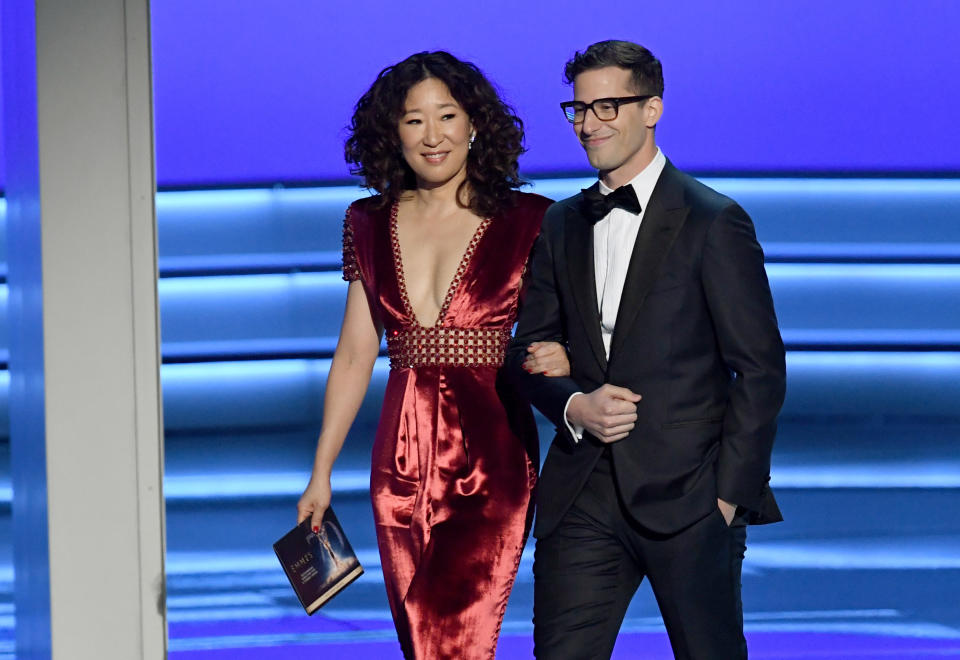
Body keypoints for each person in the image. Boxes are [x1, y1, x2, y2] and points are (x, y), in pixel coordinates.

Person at [506, 40, 787, 659]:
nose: (589, 124)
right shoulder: (561, 222)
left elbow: (760, 369)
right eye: (579, 109)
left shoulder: (712, 220)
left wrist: (726, 497)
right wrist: (575, 402)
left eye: (608, 107)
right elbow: (527, 348)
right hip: (584, 492)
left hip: (689, 493)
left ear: (652, 109)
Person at [297, 51, 566, 659]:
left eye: (447, 115)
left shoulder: (532, 219)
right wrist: (321, 471)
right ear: (392, 132)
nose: (432, 135)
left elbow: (569, 330)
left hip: (491, 457)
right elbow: (354, 354)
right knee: (422, 642)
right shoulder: (366, 222)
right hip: (395, 463)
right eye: (414, 120)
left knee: (453, 636)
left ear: (475, 124)